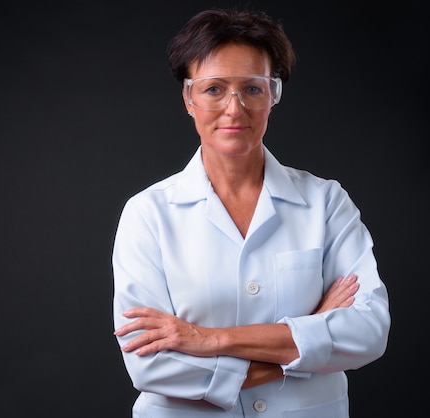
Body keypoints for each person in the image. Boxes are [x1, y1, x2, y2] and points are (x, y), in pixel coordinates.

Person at [111, 7, 390, 418]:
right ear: (188, 98)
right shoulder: (148, 213)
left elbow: (369, 332)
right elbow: (150, 365)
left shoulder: (325, 202)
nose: (234, 107)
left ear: (273, 95)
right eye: (214, 89)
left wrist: (207, 339)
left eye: (253, 89)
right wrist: (309, 340)